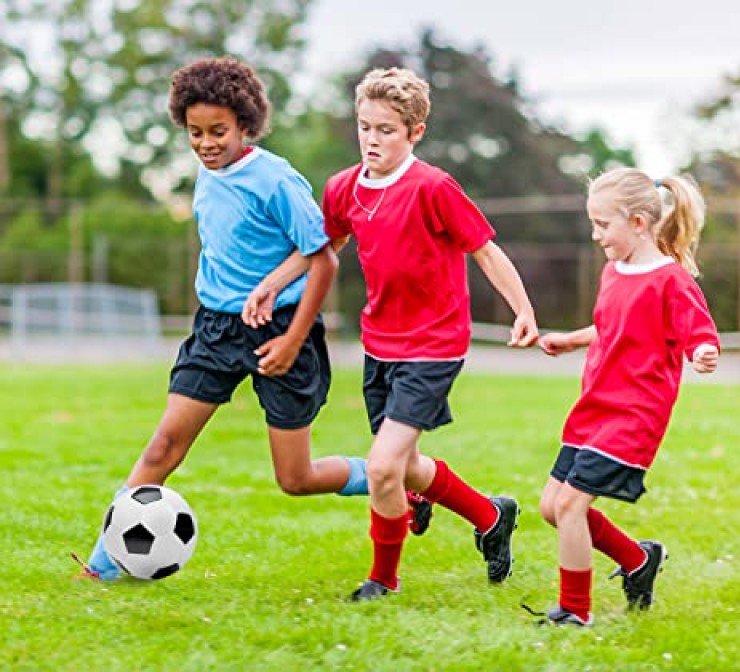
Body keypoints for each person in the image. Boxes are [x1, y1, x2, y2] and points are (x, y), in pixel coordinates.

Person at [74, 57, 429, 582]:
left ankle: (403, 487)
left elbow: (323, 257)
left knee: (296, 477)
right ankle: (102, 568)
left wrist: (289, 340)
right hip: (216, 330)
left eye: (218, 131)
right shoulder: (205, 170)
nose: (206, 143)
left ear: (246, 125)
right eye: (195, 132)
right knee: (163, 445)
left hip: (281, 334)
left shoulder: (275, 180)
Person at [260, 67, 540, 600]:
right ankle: (490, 515)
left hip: (435, 344)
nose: (371, 138)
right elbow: (325, 247)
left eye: (385, 129)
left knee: (385, 466)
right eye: (364, 126)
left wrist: (521, 309)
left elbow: (484, 248)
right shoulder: (343, 188)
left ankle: (382, 582)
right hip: (380, 344)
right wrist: (272, 285)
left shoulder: (433, 188)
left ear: (414, 132)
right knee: (405, 467)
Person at [535, 167, 720, 626]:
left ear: (638, 223)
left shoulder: (671, 281)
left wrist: (703, 352)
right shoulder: (614, 272)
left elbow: (698, 332)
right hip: (593, 409)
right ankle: (638, 560)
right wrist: (572, 339)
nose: (596, 235)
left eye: (603, 224)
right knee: (550, 508)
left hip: (633, 415)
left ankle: (575, 610)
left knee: (570, 506)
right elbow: (613, 327)